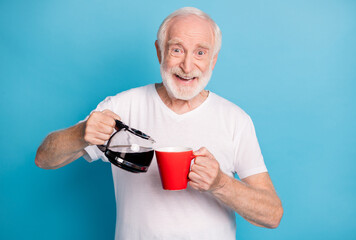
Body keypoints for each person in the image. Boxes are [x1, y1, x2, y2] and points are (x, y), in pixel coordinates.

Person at [35, 7, 283, 240]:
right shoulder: (121, 107)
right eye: (177, 49)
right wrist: (80, 134)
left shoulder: (235, 120)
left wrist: (220, 184)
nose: (187, 66)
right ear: (159, 51)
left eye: (200, 52)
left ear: (213, 60)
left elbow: (272, 215)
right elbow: (44, 158)